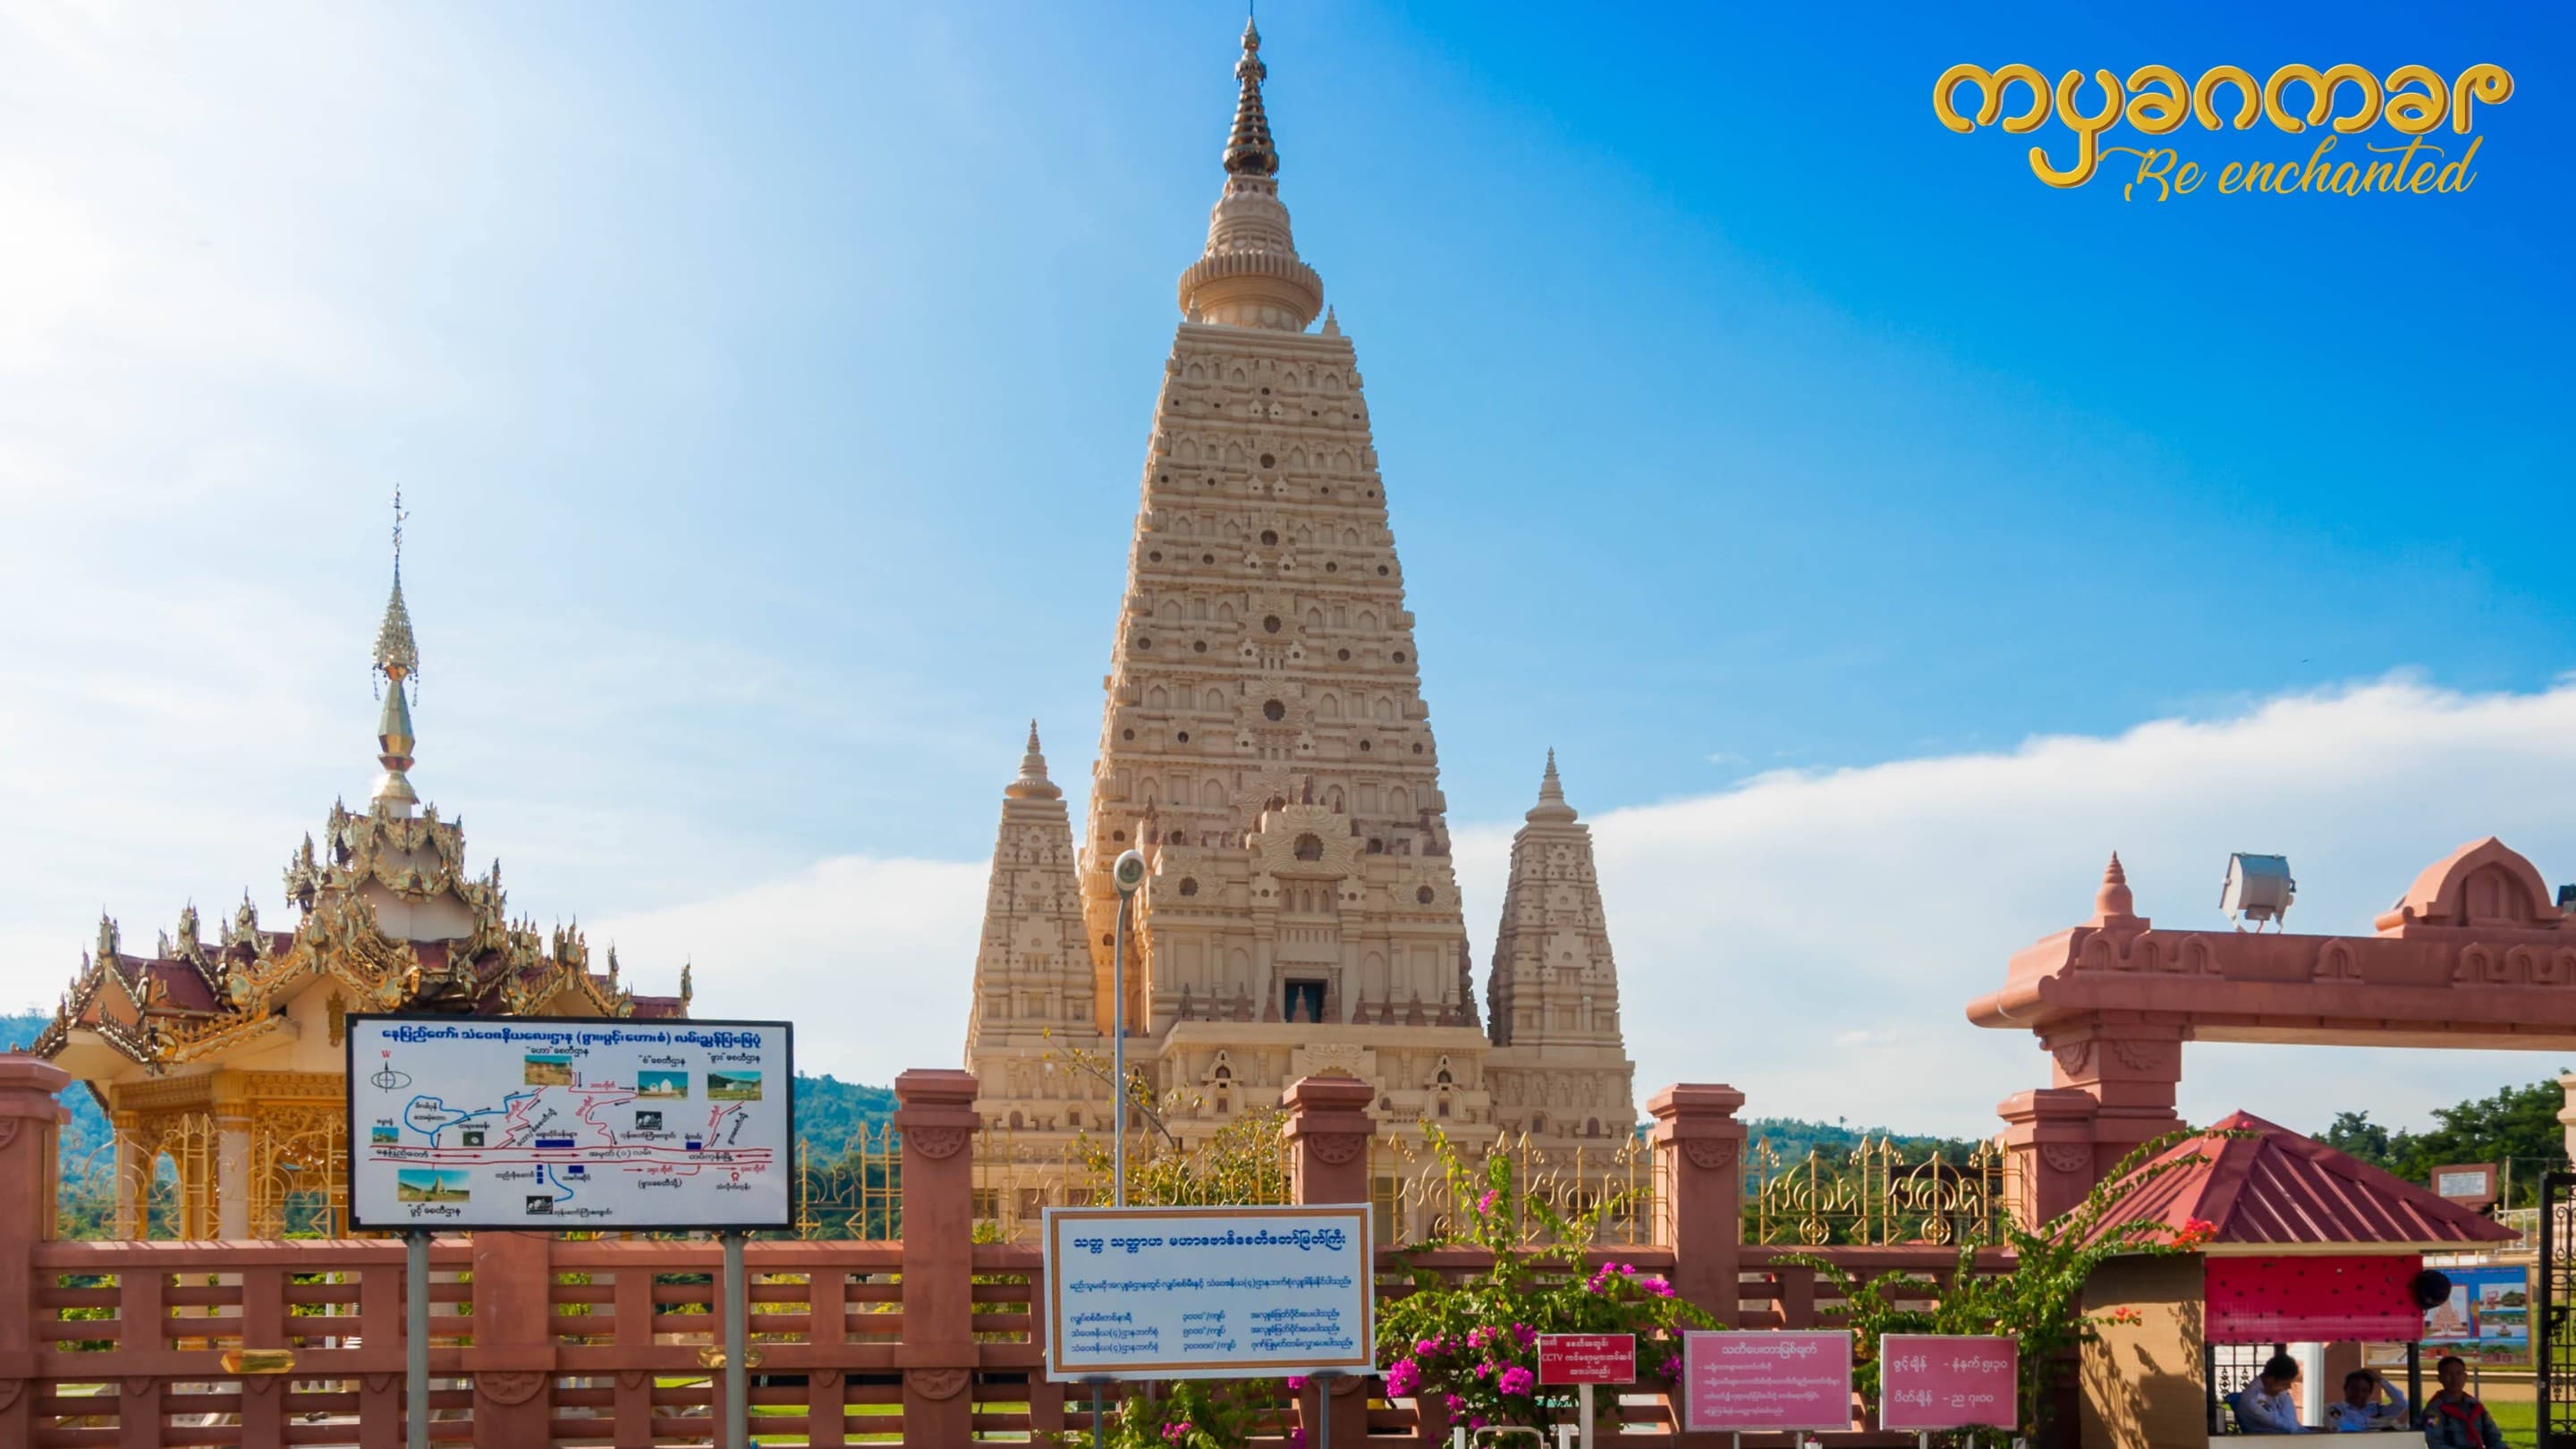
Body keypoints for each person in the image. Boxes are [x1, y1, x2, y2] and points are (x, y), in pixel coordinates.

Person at [2423, 1354, 2507, 1448]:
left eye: (2459, 1373)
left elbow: (2494, 1438)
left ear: (2465, 1377)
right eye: (2449, 1374)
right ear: (2440, 1378)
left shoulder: (2475, 1406)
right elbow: (2435, 1443)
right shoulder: (2435, 1410)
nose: (2455, 1379)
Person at [2233, 1352, 2307, 1435]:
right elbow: (2289, 1426)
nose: (2288, 1387)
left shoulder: (2275, 1389)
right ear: (2271, 1380)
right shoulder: (2255, 1400)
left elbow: (2292, 1421)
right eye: (2285, 1383)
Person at [2324, 1368, 2407, 1432]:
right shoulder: (2333, 1408)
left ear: (2370, 1392)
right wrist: (2382, 1423)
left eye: (2364, 1390)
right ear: (2345, 1389)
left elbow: (2402, 1405)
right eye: (2354, 1389)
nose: (2358, 1394)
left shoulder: (2377, 1409)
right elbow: (2343, 1427)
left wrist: (2380, 1380)